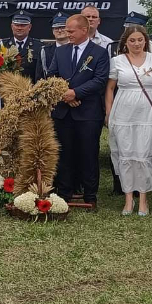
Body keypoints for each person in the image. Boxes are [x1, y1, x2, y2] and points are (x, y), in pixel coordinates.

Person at [103, 24, 152, 216]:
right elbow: (110, 88)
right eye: (132, 40)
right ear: (126, 42)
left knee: (143, 154)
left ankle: (144, 200)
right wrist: (109, 111)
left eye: (140, 40)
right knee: (126, 154)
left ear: (145, 41)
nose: (137, 43)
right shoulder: (117, 61)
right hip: (123, 112)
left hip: (147, 112)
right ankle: (128, 199)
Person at [49, 14, 112, 209]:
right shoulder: (61, 52)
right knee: (64, 153)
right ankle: (65, 192)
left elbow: (100, 80)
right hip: (63, 112)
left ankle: (90, 194)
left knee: (88, 154)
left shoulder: (100, 53)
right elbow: (51, 75)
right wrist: (64, 95)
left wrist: (76, 93)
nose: (67, 34)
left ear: (84, 30)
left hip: (88, 113)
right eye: (66, 30)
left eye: (71, 31)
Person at [1, 10, 42, 81]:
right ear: (12, 26)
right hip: (7, 88)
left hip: (30, 89)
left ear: (29, 27)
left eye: (23, 25)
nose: (19, 28)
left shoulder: (38, 46)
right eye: (17, 25)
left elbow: (40, 73)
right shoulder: (3, 45)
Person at [38, 13, 69, 84]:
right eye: (56, 28)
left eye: (63, 27)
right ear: (52, 31)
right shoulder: (44, 51)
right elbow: (39, 76)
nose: (60, 30)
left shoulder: (76, 48)